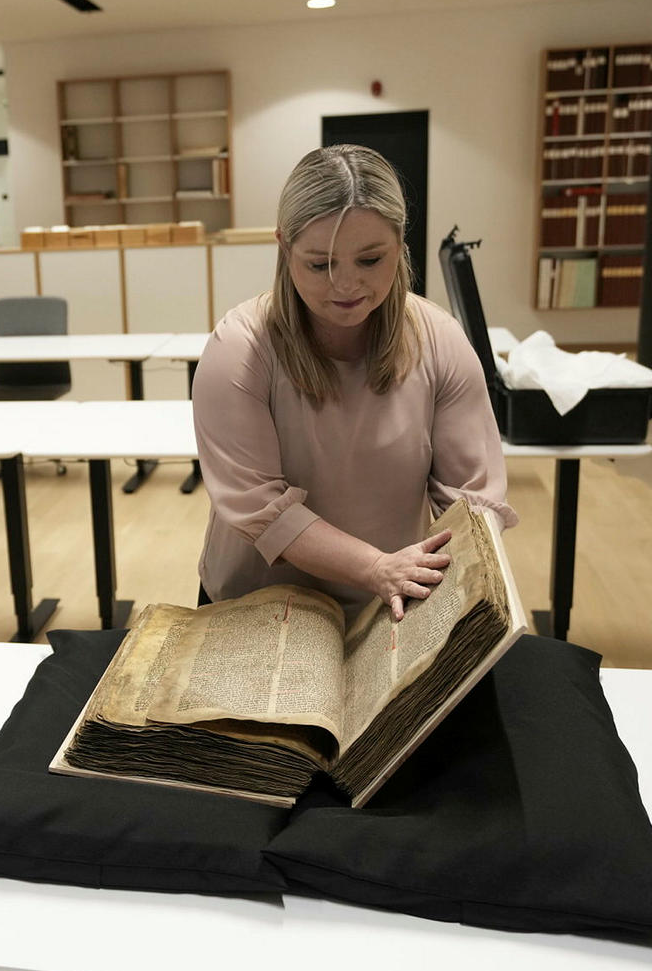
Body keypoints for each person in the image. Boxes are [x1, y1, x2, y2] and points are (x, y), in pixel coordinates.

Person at [193, 145, 515, 619]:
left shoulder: (439, 340)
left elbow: (472, 502)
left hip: (393, 601)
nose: (345, 286)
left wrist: (432, 574)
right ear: (285, 248)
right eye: (320, 265)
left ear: (401, 244)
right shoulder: (240, 351)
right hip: (260, 606)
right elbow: (263, 512)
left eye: (370, 260)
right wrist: (375, 567)